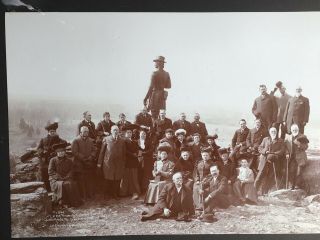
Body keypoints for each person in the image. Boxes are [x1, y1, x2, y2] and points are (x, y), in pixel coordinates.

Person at [97, 125, 126, 200]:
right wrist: (99, 163)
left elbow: (124, 153)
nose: (116, 132)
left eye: (117, 130)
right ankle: (105, 194)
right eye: (114, 130)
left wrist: (123, 163)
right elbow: (102, 152)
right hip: (108, 163)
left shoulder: (122, 141)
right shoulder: (106, 139)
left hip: (118, 164)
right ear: (111, 131)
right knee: (107, 179)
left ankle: (115, 194)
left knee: (117, 179)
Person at [48, 142, 81, 207]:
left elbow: (71, 170)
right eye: (59, 152)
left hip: (67, 178)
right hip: (55, 179)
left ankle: (73, 202)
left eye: (62, 151)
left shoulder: (69, 160)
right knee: (62, 184)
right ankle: (62, 202)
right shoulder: (53, 160)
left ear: (65, 152)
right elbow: (50, 171)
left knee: (70, 184)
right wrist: (59, 177)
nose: (61, 153)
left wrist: (67, 176)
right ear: (57, 153)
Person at [254, 127, 285, 195]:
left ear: (276, 132)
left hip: (274, 161)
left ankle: (264, 193)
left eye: (274, 131)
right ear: (269, 132)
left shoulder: (280, 140)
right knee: (259, 176)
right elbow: (260, 147)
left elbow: (282, 150)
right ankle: (253, 192)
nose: (273, 132)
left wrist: (275, 154)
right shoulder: (265, 139)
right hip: (264, 160)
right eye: (272, 131)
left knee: (270, 178)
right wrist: (265, 151)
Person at [37, 122, 66, 192]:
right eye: (51, 131)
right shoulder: (43, 139)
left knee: (55, 174)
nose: (52, 133)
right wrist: (42, 152)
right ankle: (47, 190)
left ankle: (56, 190)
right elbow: (39, 148)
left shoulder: (58, 139)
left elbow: (65, 143)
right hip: (45, 160)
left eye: (54, 131)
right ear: (48, 132)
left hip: (55, 160)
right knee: (44, 174)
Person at [71, 126, 97, 200]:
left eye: (87, 132)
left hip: (89, 163)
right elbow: (74, 152)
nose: (86, 133)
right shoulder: (76, 140)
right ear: (81, 132)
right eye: (85, 131)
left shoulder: (91, 140)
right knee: (81, 180)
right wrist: (83, 158)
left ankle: (90, 194)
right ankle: (83, 196)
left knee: (89, 179)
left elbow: (94, 150)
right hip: (79, 164)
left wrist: (91, 157)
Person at [143, 56, 171, 121]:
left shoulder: (154, 73)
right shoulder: (166, 74)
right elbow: (169, 86)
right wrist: (162, 85)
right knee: (161, 115)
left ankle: (154, 129)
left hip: (155, 96)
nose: (155, 64)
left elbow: (151, 87)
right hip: (162, 96)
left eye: (155, 62)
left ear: (159, 63)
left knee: (154, 116)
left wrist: (145, 98)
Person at [284, 124, 309, 190]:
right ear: (291, 130)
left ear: (298, 130)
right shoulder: (288, 137)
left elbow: (306, 147)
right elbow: (285, 147)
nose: (294, 131)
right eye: (293, 130)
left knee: (298, 172)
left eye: (296, 129)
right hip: (292, 158)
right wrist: (287, 153)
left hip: (300, 158)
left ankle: (297, 186)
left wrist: (299, 144)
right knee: (291, 171)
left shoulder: (303, 136)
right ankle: (291, 186)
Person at [119, 125, 141, 200]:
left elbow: (138, 149)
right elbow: (124, 151)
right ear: (125, 133)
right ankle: (123, 192)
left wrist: (137, 153)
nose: (129, 134)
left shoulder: (134, 141)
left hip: (134, 162)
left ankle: (134, 192)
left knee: (134, 177)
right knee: (125, 178)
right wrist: (132, 154)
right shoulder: (123, 141)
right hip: (127, 161)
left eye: (130, 132)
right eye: (128, 132)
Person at [137, 128, 155, 194]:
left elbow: (151, 150)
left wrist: (143, 153)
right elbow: (136, 150)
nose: (143, 135)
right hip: (139, 160)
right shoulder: (137, 141)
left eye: (144, 134)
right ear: (139, 135)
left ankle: (146, 189)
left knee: (147, 174)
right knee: (139, 174)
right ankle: (139, 189)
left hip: (147, 160)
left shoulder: (149, 141)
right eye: (142, 134)